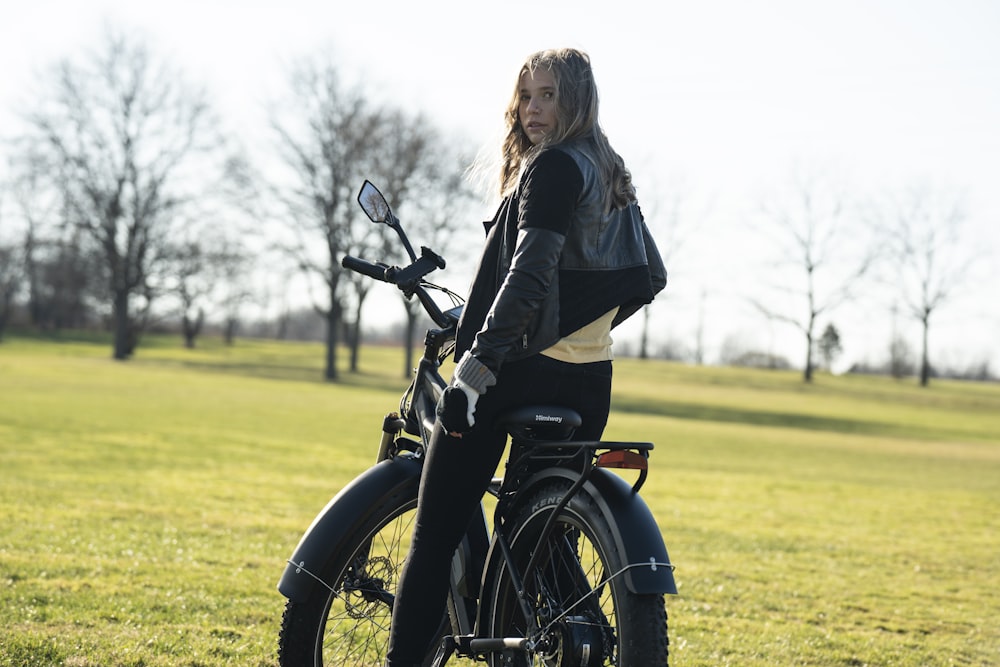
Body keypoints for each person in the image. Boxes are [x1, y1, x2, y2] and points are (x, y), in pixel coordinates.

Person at [384, 47, 667, 667]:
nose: (534, 110)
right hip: (590, 380)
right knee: (539, 531)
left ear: (577, 103)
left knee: (432, 540)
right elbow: (651, 275)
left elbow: (529, 274)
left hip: (515, 376)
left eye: (549, 96)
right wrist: (572, 329)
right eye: (527, 95)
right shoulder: (608, 168)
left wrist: (478, 369)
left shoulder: (554, 168)